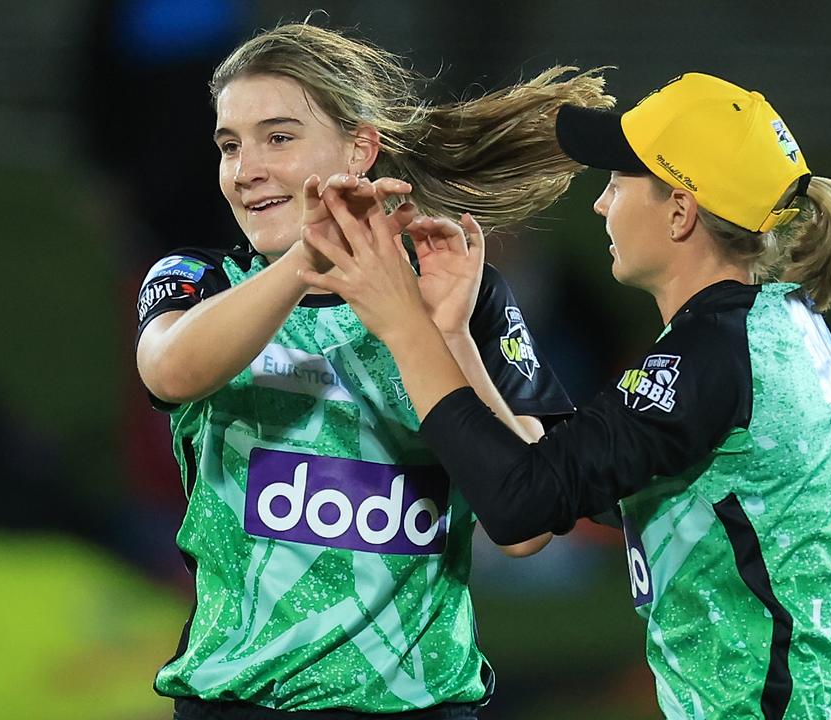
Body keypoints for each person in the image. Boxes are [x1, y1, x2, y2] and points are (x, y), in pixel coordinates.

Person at [300, 72, 831, 719]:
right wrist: (453, 335)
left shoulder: (715, 354)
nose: (601, 204)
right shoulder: (769, 326)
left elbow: (520, 502)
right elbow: (553, 477)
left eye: (618, 182)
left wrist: (401, 322)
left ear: (680, 211)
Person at [133, 20, 613, 719]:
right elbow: (171, 371)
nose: (246, 168)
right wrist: (306, 261)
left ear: (359, 149)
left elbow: (528, 523)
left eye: (279, 137)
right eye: (230, 145)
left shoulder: (456, 292)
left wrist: (448, 332)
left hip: (422, 706)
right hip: (242, 704)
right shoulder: (200, 281)